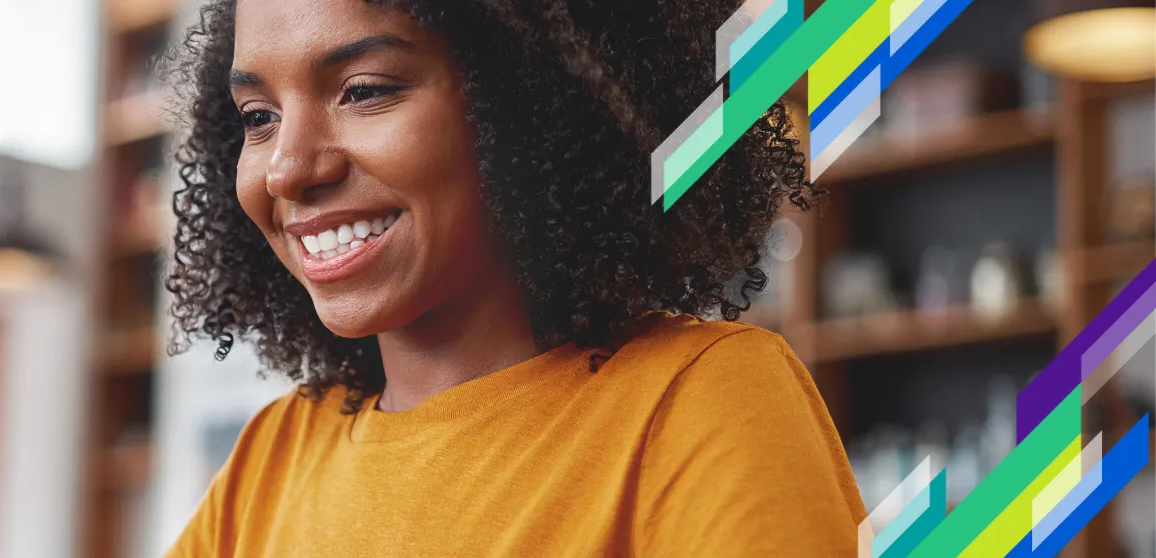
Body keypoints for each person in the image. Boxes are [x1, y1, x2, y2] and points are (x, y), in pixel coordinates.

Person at [160, 0, 865, 555]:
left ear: (531, 102)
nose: (286, 166)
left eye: (364, 91)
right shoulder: (273, 456)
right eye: (258, 116)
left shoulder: (697, 400)